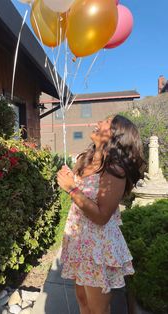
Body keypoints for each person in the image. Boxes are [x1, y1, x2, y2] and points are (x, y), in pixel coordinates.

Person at [57, 115, 145, 314]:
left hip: (98, 246)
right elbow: (83, 196)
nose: (98, 123)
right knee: (82, 300)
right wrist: (71, 181)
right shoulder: (84, 160)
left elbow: (102, 216)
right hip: (79, 240)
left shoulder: (114, 169)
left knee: (98, 309)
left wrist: (71, 189)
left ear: (116, 135)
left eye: (105, 121)